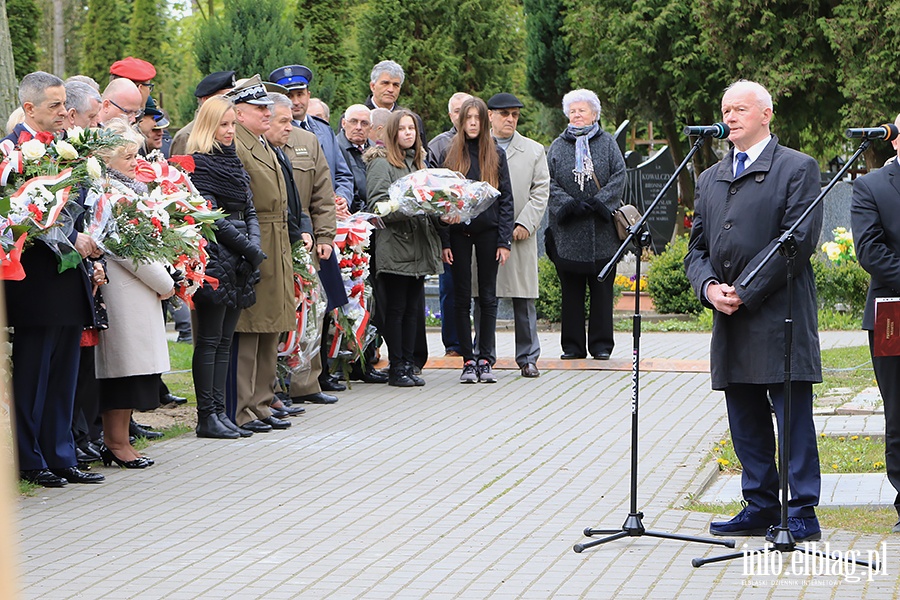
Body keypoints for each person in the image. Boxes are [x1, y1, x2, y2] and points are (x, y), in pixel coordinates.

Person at [684, 80, 823, 542]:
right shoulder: (710, 177)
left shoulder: (797, 168)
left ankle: (802, 511)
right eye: (725, 109)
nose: (730, 116)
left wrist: (744, 289)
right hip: (730, 317)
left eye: (740, 108)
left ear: (766, 114)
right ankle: (760, 504)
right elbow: (696, 248)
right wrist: (708, 288)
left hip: (778, 314)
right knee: (744, 417)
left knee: (791, 417)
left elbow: (797, 242)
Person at [5, 71, 104, 487]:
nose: (64, 112)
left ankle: (62, 454)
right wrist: (69, 237)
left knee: (65, 371)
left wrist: (93, 240)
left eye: (65, 104)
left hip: (68, 276)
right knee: (34, 371)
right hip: (34, 280)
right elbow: (14, 217)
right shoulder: (11, 154)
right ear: (29, 109)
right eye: (55, 106)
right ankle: (31, 458)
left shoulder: (66, 148)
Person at [93, 118, 175, 469]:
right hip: (124, 290)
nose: (134, 161)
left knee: (133, 373)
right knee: (122, 373)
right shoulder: (108, 192)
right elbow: (123, 245)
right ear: (107, 159)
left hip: (139, 289)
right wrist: (166, 282)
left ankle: (121, 440)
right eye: (127, 156)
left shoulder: (129, 190)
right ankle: (115, 442)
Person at [187, 96, 267, 439]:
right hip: (216, 256)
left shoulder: (233, 161)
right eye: (223, 124)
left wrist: (253, 249)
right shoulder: (199, 165)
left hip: (238, 260)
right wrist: (251, 250)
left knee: (224, 340)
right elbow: (213, 217)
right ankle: (207, 415)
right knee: (209, 339)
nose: (230, 131)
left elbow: (250, 209)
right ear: (208, 125)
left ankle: (221, 412)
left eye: (233, 124)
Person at [226, 75, 294, 433]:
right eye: (259, 108)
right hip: (258, 234)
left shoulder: (262, 143)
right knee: (252, 325)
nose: (267, 113)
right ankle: (242, 405)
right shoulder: (238, 144)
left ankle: (262, 401)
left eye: (269, 108)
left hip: (275, 234)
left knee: (273, 323)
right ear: (238, 113)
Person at [365, 110, 446, 387]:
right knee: (396, 309)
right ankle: (396, 365)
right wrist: (412, 205)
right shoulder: (381, 163)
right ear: (391, 133)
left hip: (418, 246)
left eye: (412, 128)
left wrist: (444, 209)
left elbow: (427, 202)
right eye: (402, 129)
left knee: (413, 309)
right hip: (395, 246)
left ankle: (409, 364)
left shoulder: (417, 163)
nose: (409, 133)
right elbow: (377, 206)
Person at [545, 89, 625, 361]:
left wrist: (600, 202)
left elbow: (619, 176)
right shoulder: (557, 146)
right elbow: (548, 181)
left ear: (594, 114)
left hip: (603, 232)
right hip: (568, 232)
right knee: (571, 293)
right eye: (573, 110)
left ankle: (602, 345)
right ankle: (572, 346)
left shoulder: (608, 143)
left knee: (602, 292)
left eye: (583, 110)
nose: (577, 115)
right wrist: (568, 205)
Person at [849, 111, 900, 534]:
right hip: (894, 314)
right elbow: (871, 253)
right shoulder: (872, 187)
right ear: (895, 140)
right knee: (899, 411)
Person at [474, 93, 549, 378]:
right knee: (483, 295)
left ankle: (528, 357)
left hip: (518, 234)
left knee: (523, 298)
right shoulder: (477, 147)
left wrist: (525, 224)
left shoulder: (533, 150)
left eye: (515, 114)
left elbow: (540, 191)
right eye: (504, 113)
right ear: (490, 116)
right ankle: (484, 354)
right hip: (484, 234)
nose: (510, 119)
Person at [441, 97, 514, 383]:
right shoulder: (452, 154)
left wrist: (503, 241)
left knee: (487, 296)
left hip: (488, 232)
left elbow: (506, 199)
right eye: (467, 118)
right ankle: (467, 360)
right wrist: (445, 240)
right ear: (460, 122)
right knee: (461, 297)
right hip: (459, 234)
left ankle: (486, 357)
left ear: (484, 122)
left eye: (477, 118)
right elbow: (443, 202)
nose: (472, 123)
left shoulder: (495, 154)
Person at [429, 92, 473, 358]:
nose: (463, 116)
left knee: (481, 290)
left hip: (480, 230)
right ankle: (454, 345)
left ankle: (481, 344)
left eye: (467, 111)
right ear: (450, 115)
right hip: (449, 229)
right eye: (457, 111)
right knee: (450, 288)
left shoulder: (486, 144)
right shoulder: (439, 145)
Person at [364, 60, 428, 153]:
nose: (390, 89)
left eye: (395, 85)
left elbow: (421, 158)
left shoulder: (412, 120)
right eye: (385, 83)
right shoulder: (356, 118)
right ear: (372, 86)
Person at [171, 70, 236, 156]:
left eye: (232, 98)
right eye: (224, 98)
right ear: (206, 100)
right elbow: (180, 167)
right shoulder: (186, 136)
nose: (229, 103)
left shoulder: (231, 129)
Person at [338, 104, 373, 213]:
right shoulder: (334, 150)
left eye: (364, 123)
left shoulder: (377, 152)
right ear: (344, 123)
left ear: (371, 127)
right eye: (353, 121)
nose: (358, 127)